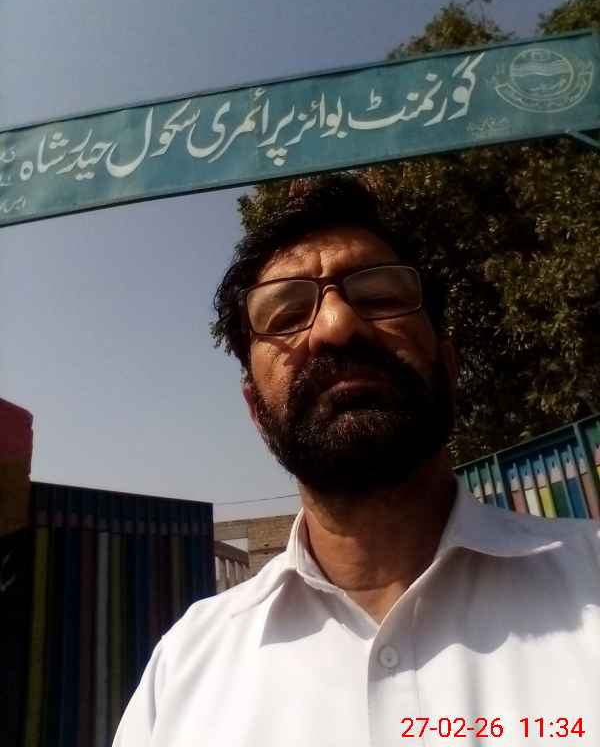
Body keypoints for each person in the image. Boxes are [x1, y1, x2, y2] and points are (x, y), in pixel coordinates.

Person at [113, 174, 600, 747]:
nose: (337, 326)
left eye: (379, 297)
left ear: (447, 365)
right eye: (286, 314)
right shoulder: (184, 670)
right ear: (255, 408)